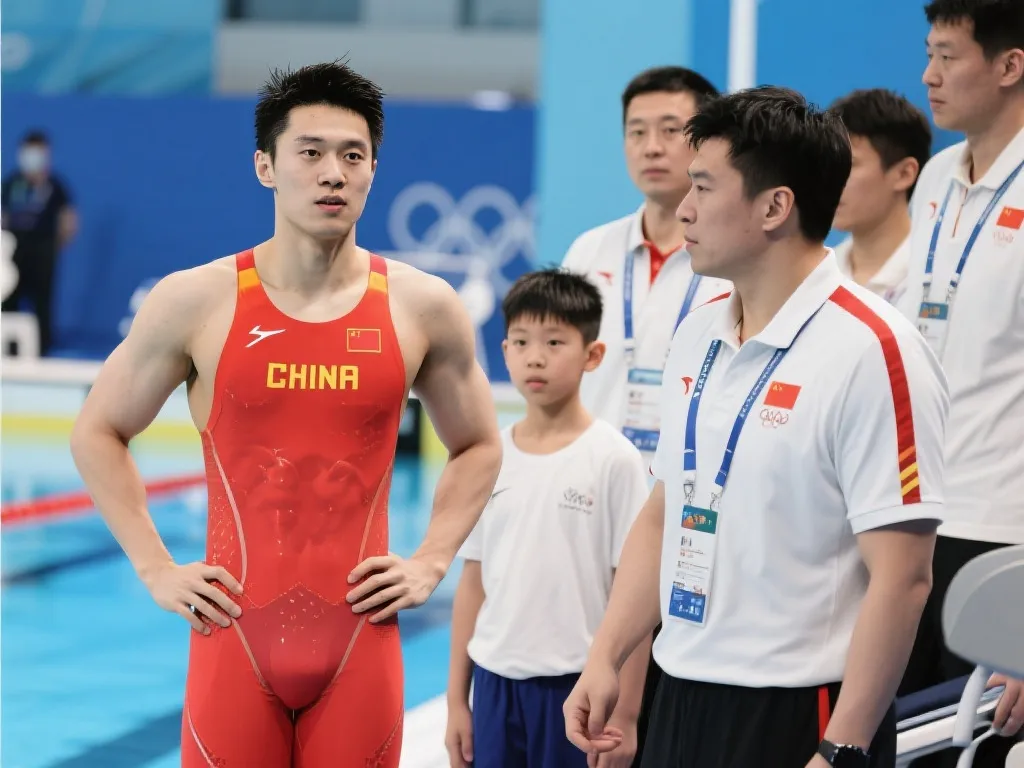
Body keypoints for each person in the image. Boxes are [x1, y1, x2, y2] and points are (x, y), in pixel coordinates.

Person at [69, 60, 503, 768]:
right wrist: (155, 568)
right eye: (311, 153)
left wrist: (430, 561)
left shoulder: (422, 307)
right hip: (232, 644)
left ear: (373, 170)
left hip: (361, 645)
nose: (333, 173)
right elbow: (97, 431)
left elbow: (480, 444)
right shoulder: (197, 300)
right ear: (265, 166)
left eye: (353, 156)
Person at [563, 86, 951, 768]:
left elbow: (903, 578)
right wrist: (607, 654)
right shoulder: (697, 332)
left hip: (801, 710)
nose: (684, 208)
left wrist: (843, 748)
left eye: (704, 187)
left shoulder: (873, 350)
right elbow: (666, 509)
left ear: (775, 207)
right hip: (681, 690)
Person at [444, 268, 651, 768]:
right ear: (504, 350)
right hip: (494, 684)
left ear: (592, 355)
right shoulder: (488, 457)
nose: (535, 357)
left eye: (554, 342)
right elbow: (473, 582)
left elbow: (636, 594)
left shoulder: (614, 460)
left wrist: (626, 715)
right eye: (521, 342)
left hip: (577, 689)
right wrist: (456, 702)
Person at [896, 1, 1024, 764]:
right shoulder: (938, 178)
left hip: (1002, 537)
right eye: (928, 53)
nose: (928, 75)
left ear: (1010, 66)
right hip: (914, 520)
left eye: (947, 56)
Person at [560, 65, 729, 462]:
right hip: (591, 478)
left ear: (709, 142)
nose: (651, 147)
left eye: (671, 130)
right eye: (637, 132)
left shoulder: (733, 260)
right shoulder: (589, 251)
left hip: (693, 480)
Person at [829, 88, 933, 305]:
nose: (828, 180)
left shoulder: (933, 274)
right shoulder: (819, 275)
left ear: (904, 174)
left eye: (849, 164)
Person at [1, 129, 77, 355]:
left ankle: (42, 346)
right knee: (9, 298)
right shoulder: (11, 183)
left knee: (42, 299)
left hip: (43, 248)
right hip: (14, 250)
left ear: (47, 155)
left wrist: (55, 245)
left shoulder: (55, 185)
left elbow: (69, 219)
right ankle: (9, 347)